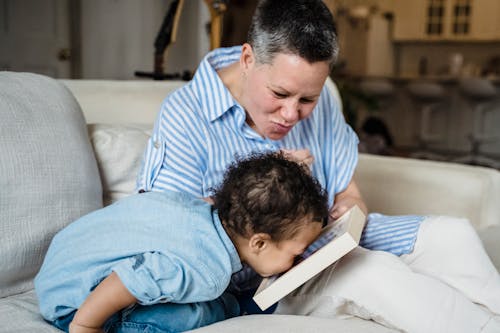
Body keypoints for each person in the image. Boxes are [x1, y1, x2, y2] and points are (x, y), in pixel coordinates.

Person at [137, 0, 500, 332]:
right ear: (248, 59)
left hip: (324, 246)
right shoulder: (186, 115)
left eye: (307, 98)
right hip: (263, 282)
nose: (292, 114)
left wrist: (350, 209)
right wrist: (267, 183)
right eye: (279, 95)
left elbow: (349, 192)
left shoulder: (322, 98)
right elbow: (170, 231)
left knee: (454, 235)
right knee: (374, 272)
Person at [34, 152, 329, 333]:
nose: (298, 260)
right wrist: (86, 326)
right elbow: (125, 281)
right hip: (76, 305)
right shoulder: (204, 268)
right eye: (296, 253)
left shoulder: (195, 210)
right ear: (259, 243)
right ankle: (238, 308)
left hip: (61, 270)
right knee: (200, 313)